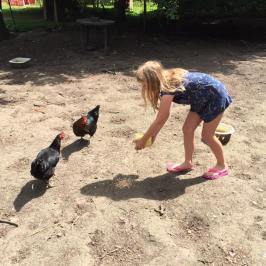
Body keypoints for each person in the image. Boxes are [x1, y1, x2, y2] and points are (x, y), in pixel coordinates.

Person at [133, 61, 232, 180]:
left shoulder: (168, 88)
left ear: (152, 81)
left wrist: (144, 139)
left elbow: (161, 119)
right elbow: (163, 117)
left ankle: (222, 166)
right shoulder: (165, 79)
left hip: (215, 96)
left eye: (144, 84)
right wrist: (152, 136)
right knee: (187, 129)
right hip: (201, 98)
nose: (143, 87)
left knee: (207, 136)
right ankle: (187, 162)